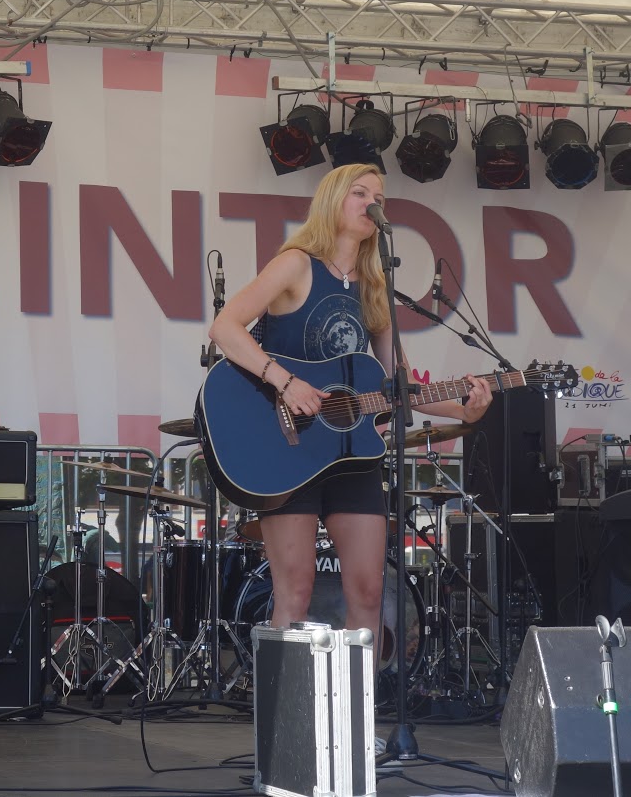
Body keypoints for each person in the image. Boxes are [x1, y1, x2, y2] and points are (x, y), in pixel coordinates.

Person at [207, 163, 492, 670]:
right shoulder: (296, 264)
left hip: (352, 455)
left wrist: (465, 407)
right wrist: (286, 382)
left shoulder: (375, 287)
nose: (371, 203)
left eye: (379, 197)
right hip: (288, 452)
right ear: (332, 201)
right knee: (295, 590)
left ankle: (361, 711)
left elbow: (400, 388)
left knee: (367, 590)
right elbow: (225, 328)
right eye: (360, 193)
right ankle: (288, 713)